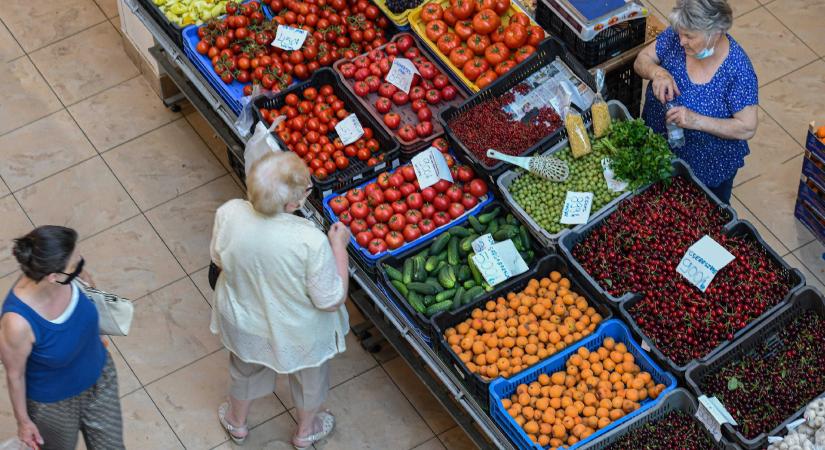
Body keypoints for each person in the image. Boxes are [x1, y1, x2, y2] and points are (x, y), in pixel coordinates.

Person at [209, 151, 351, 449]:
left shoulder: (230, 213)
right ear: (292, 204)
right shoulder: (310, 241)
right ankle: (306, 430)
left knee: (244, 368)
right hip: (299, 332)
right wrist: (338, 247)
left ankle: (236, 422)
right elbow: (330, 300)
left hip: (244, 320)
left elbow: (219, 260)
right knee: (310, 377)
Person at [0, 226, 124, 450]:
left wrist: (93, 336)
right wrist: (24, 422)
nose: (81, 267)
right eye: (76, 265)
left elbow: (91, 295)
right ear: (53, 277)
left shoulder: (72, 275)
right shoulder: (17, 323)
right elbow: (14, 375)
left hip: (100, 378)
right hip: (53, 406)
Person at [634, 0, 758, 203]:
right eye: (680, 33)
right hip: (656, 149)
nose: (681, 41)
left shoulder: (738, 71)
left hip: (703, 170)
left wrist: (695, 120)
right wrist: (657, 72)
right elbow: (641, 60)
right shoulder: (678, 36)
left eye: (689, 36)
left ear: (716, 32)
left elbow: (747, 128)